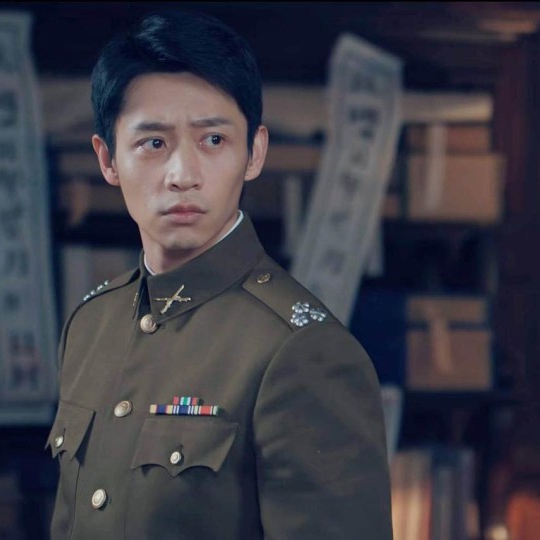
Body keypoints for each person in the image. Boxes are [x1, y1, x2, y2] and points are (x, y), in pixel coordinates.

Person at [46, 10, 392, 539]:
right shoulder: (91, 325)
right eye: (154, 143)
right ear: (107, 159)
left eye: (213, 140)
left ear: (254, 152)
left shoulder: (302, 350)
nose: (183, 175)